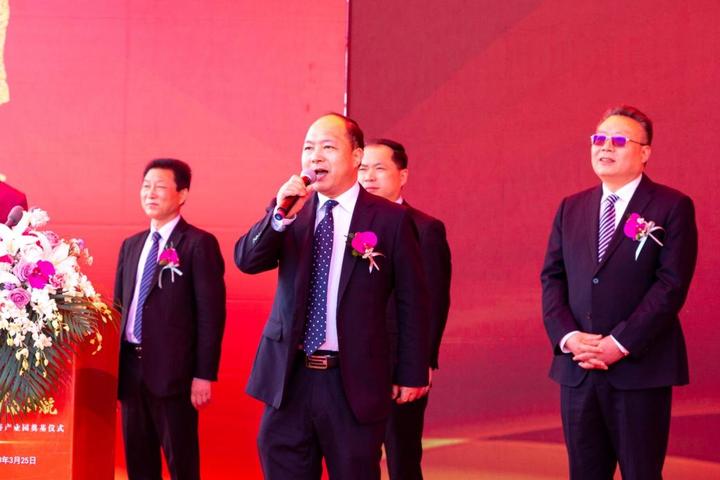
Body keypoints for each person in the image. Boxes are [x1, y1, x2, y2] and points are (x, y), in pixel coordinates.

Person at [235, 113, 430, 480]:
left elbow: (412, 302)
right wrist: (278, 215)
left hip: (352, 382)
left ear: (356, 156)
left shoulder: (390, 220)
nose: (315, 156)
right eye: (308, 148)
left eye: (327, 147)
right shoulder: (292, 212)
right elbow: (247, 260)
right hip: (289, 379)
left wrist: (411, 370)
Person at [541, 105, 698, 480]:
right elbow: (553, 278)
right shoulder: (571, 207)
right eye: (599, 139)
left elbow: (670, 286)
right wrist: (569, 338)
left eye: (618, 140)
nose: (605, 147)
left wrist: (620, 343)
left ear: (645, 153)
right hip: (579, 368)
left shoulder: (671, 206)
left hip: (639, 369)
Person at [114, 158, 226, 480]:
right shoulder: (131, 245)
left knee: (182, 463)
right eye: (146, 186)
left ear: (182, 194)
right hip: (131, 370)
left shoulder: (198, 244)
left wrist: (203, 374)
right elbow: (119, 309)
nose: (150, 193)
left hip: (175, 375)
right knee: (139, 463)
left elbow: (211, 315)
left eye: (160, 187)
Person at [358, 139, 451, 480]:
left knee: (402, 457)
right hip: (353, 363)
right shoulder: (348, 225)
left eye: (379, 168)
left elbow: (433, 302)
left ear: (403, 175)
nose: (369, 176)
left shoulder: (424, 228)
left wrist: (419, 364)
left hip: (400, 364)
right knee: (355, 456)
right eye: (362, 168)